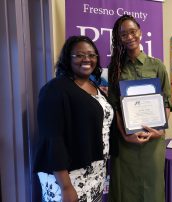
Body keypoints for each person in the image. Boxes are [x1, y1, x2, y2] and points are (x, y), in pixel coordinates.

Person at [33, 35, 115, 202]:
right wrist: (65, 187)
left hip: (95, 170)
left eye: (92, 55)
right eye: (79, 55)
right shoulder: (54, 90)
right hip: (68, 175)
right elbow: (52, 140)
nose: (87, 59)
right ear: (67, 58)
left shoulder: (94, 86)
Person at [107, 15, 172, 202]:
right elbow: (115, 106)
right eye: (123, 34)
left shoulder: (157, 65)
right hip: (126, 142)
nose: (129, 37)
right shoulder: (115, 68)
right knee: (125, 190)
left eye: (132, 32)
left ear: (140, 32)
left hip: (153, 143)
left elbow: (166, 102)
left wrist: (159, 131)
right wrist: (126, 134)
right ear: (118, 38)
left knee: (152, 189)